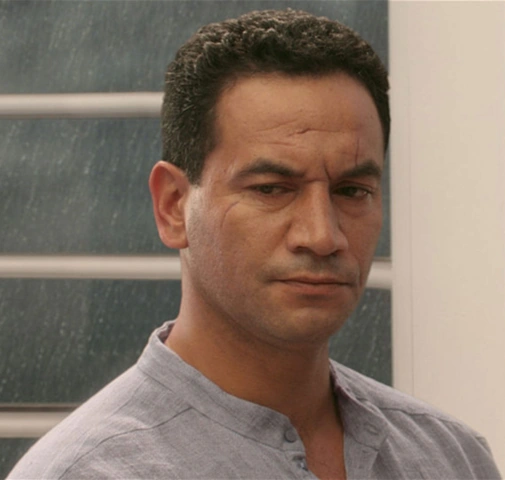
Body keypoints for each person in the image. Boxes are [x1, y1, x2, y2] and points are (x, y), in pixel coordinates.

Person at [8, 9, 501, 480]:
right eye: (271, 189)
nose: (322, 236)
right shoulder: (92, 471)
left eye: (352, 191)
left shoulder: (451, 457)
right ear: (173, 206)